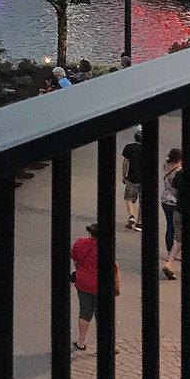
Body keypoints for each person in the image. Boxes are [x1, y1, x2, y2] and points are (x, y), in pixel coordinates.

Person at [72, 223, 120, 351]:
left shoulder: (80, 242)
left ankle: (81, 342)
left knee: (85, 311)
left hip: (82, 282)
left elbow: (75, 260)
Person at [162, 148, 183, 272]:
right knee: (177, 231)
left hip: (165, 199)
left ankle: (171, 252)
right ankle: (173, 255)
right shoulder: (179, 171)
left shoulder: (166, 166)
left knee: (170, 226)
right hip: (175, 201)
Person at [122, 127, 144, 231]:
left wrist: (124, 175)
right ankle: (139, 224)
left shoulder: (129, 147)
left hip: (132, 177)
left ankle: (131, 216)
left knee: (129, 198)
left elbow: (125, 162)